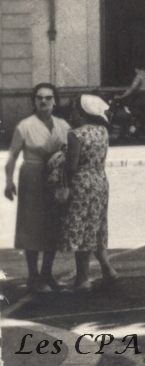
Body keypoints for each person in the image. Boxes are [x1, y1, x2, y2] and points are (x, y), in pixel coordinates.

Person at [4, 83, 70, 292]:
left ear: (55, 101)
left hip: (55, 178)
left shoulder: (63, 125)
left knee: (54, 223)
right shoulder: (25, 125)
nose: (43, 101)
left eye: (48, 97)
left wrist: (68, 182)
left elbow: (70, 153)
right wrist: (8, 182)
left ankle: (47, 273)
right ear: (34, 101)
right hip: (31, 177)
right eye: (39, 97)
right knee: (31, 225)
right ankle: (33, 276)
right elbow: (12, 156)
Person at [63, 94, 117, 292]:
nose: (72, 114)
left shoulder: (76, 134)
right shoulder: (102, 131)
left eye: (75, 110)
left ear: (83, 112)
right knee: (97, 227)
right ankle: (107, 269)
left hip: (82, 184)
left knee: (82, 229)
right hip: (100, 181)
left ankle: (82, 280)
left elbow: (72, 166)